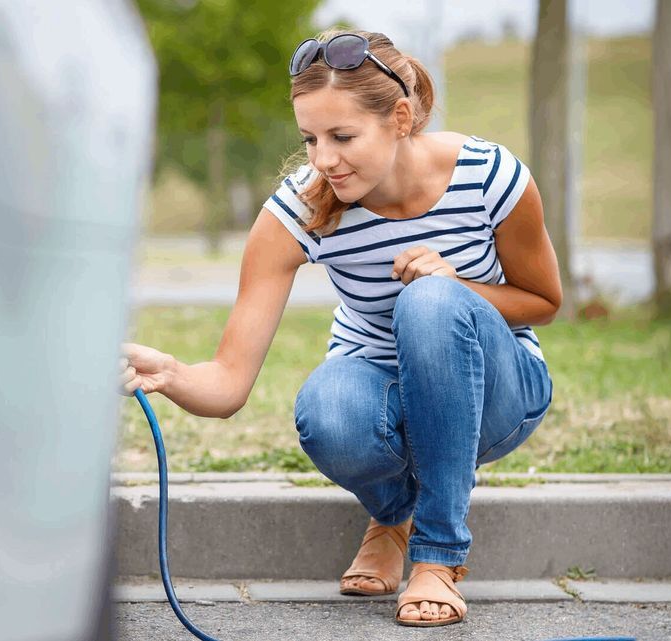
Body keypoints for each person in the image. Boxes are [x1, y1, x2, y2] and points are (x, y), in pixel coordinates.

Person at [120, 29, 562, 627]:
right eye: (310, 139)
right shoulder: (301, 209)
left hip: (497, 393)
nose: (323, 159)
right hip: (381, 393)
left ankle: (438, 556)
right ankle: (393, 514)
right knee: (325, 409)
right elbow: (228, 384)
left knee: (430, 302)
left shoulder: (489, 175)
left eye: (342, 137)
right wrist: (170, 373)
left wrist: (454, 286)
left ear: (399, 119)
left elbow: (544, 301)